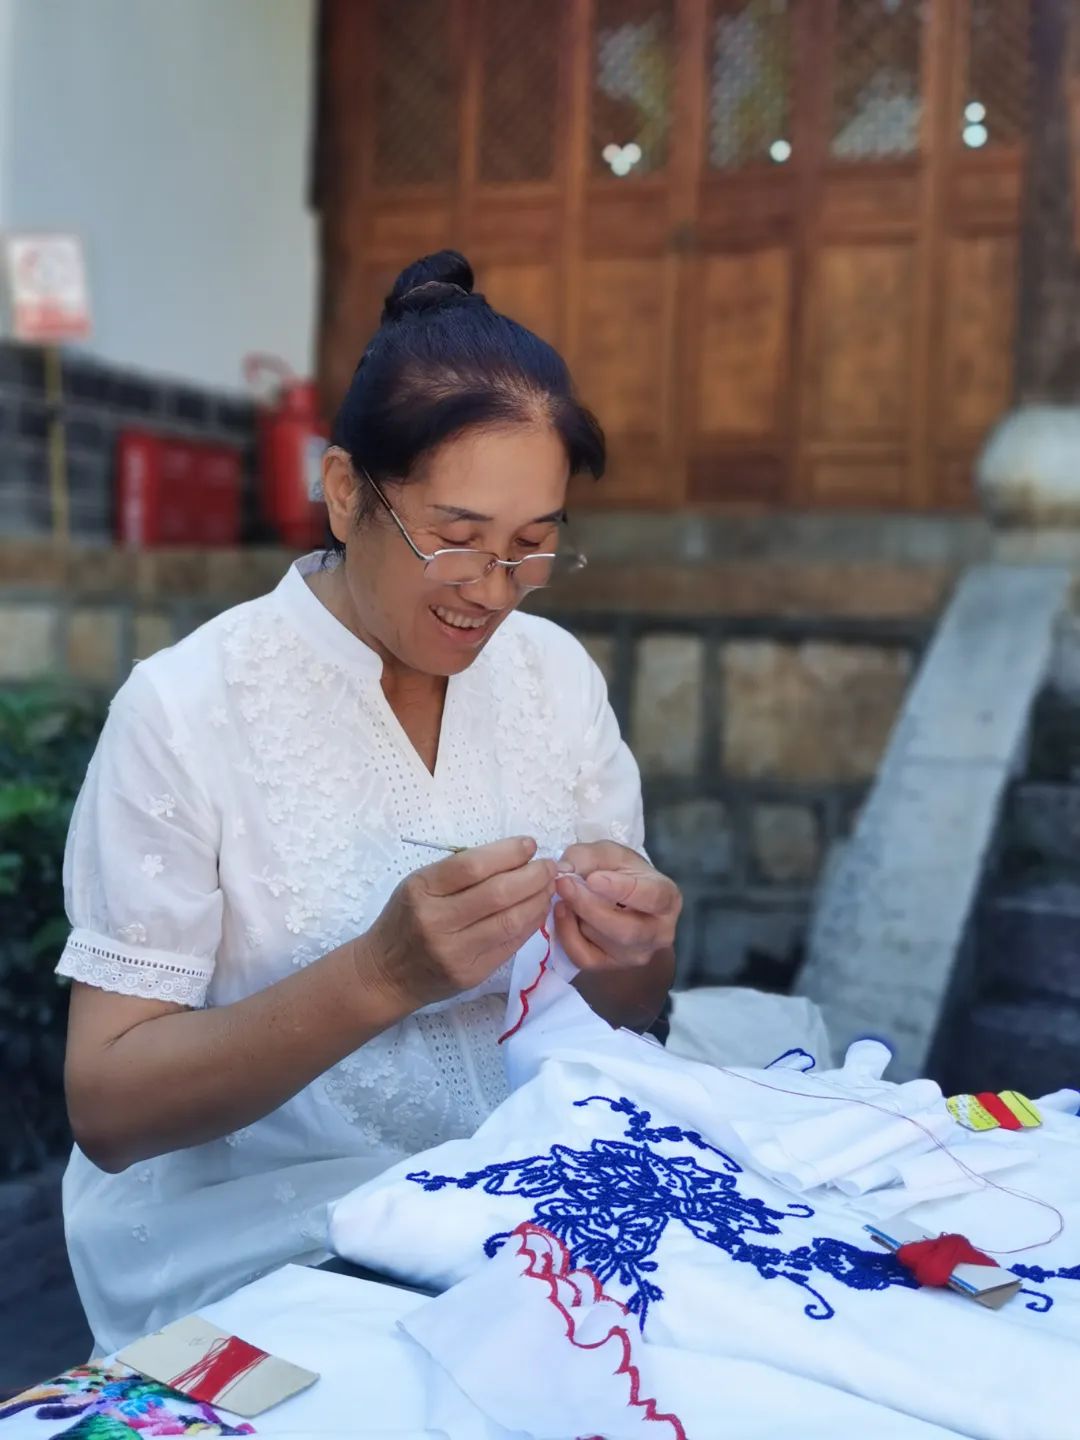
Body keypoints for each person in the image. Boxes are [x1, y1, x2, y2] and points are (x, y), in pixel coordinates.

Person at [58, 250, 681, 1353]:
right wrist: (381, 976)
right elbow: (108, 1107)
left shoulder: (552, 677)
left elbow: (628, 1015)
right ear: (345, 492)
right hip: (267, 1233)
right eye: (455, 539)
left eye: (532, 547)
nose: (492, 590)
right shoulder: (187, 709)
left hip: (517, 1193)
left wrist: (631, 946)